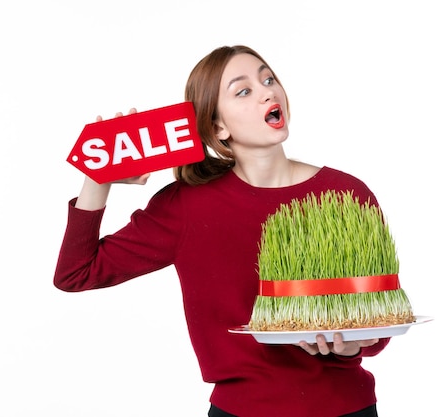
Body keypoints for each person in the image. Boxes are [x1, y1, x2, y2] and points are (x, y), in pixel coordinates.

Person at [53, 45, 387, 417]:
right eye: (243, 91)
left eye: (268, 78)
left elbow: (378, 319)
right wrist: (98, 180)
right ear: (218, 127)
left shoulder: (347, 194)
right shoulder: (187, 206)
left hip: (347, 407)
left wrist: (355, 344)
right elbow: (75, 273)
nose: (267, 91)